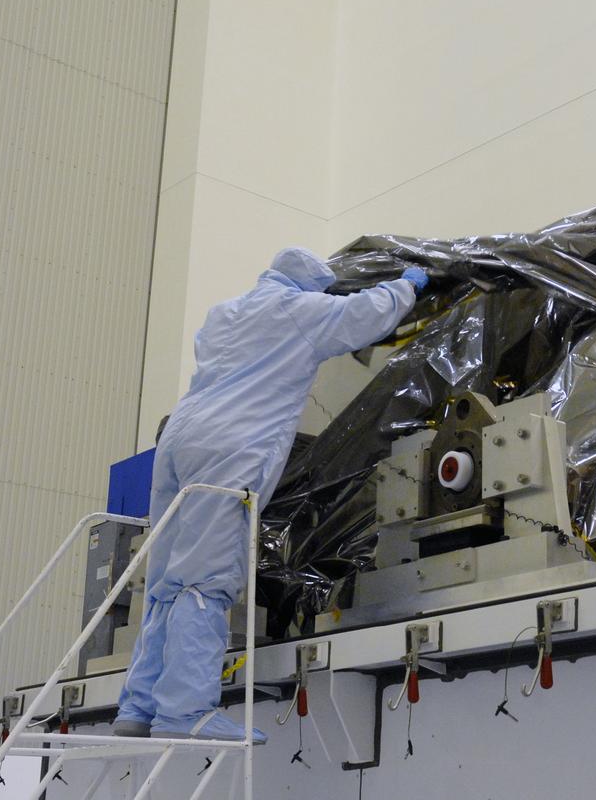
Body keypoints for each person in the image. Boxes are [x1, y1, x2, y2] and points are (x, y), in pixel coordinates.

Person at [112, 248, 427, 742]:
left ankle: (137, 708)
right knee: (205, 578)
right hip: (231, 444)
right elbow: (365, 317)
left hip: (179, 439)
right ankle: (186, 712)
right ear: (310, 287)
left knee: (165, 577)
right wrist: (406, 286)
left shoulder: (224, 314)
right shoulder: (300, 312)